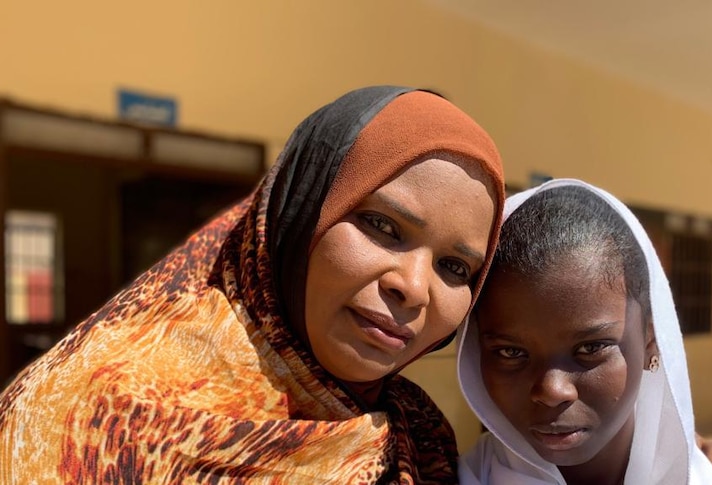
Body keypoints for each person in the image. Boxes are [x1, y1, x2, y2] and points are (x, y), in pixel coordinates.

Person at [0, 86, 507, 483]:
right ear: (297, 214)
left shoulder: (418, 438)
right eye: (382, 226)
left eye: (456, 269)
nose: (415, 288)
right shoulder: (93, 414)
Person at [457, 178, 712, 484]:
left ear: (652, 339)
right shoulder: (445, 474)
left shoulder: (710, 478)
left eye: (591, 348)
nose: (552, 391)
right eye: (511, 352)